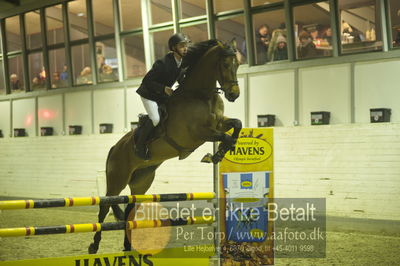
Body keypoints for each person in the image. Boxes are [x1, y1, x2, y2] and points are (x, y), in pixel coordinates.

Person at [135, 33, 189, 160]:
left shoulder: (182, 62)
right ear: (173, 48)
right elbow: (147, 81)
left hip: (161, 95)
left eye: (186, 45)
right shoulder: (163, 63)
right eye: (182, 46)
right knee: (155, 119)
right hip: (149, 94)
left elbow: (180, 77)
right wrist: (164, 88)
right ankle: (140, 146)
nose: (185, 48)